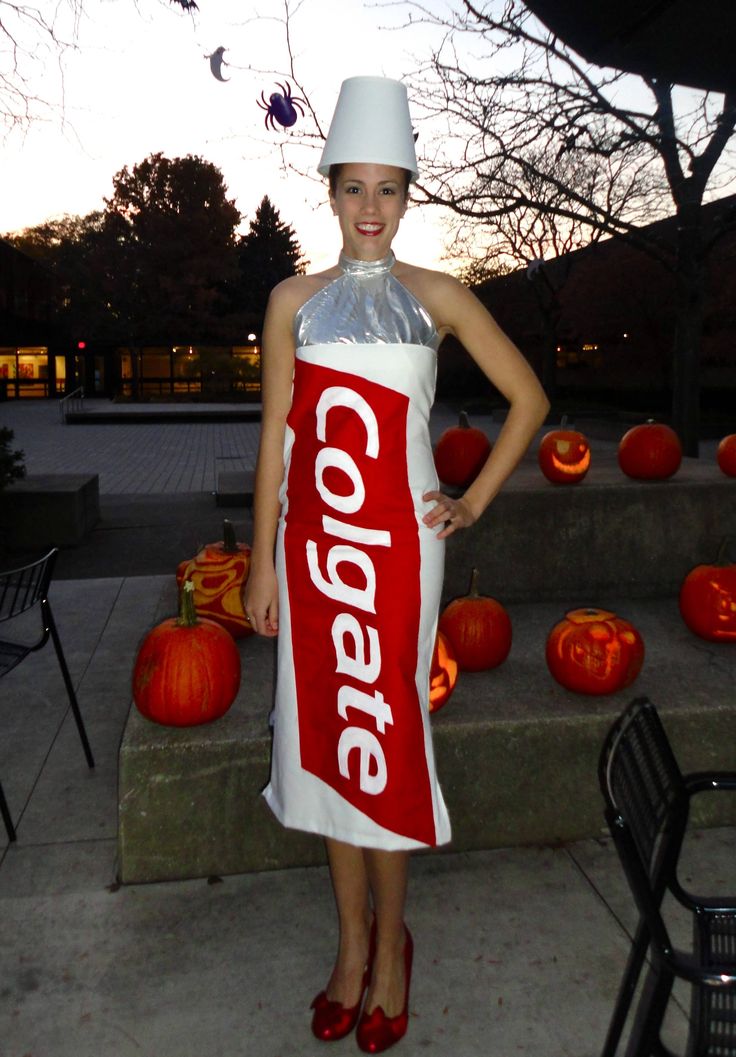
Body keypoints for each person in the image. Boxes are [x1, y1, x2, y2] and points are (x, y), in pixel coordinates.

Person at [244, 76, 550, 1053]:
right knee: (327, 750)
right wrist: (260, 565)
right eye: (353, 189)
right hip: (314, 553)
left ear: (409, 192)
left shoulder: (442, 296)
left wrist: (472, 500)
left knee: (378, 745)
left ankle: (389, 954)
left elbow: (529, 401)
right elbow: (276, 448)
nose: (371, 208)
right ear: (329, 193)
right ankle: (350, 948)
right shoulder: (292, 301)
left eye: (389, 188)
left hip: (398, 560)